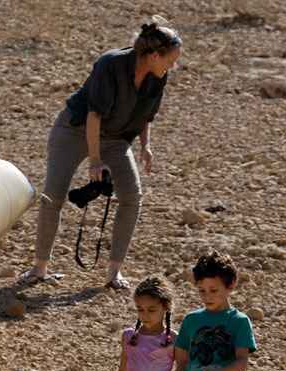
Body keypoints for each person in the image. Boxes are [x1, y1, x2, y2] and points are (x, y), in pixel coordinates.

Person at [20, 18, 182, 289]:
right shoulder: (111, 64)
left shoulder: (158, 75)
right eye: (171, 60)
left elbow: (146, 116)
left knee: (132, 197)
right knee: (54, 195)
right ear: (154, 55)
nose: (172, 66)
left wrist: (146, 146)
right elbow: (93, 113)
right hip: (75, 129)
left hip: (116, 138)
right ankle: (39, 268)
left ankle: (114, 272)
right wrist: (95, 160)